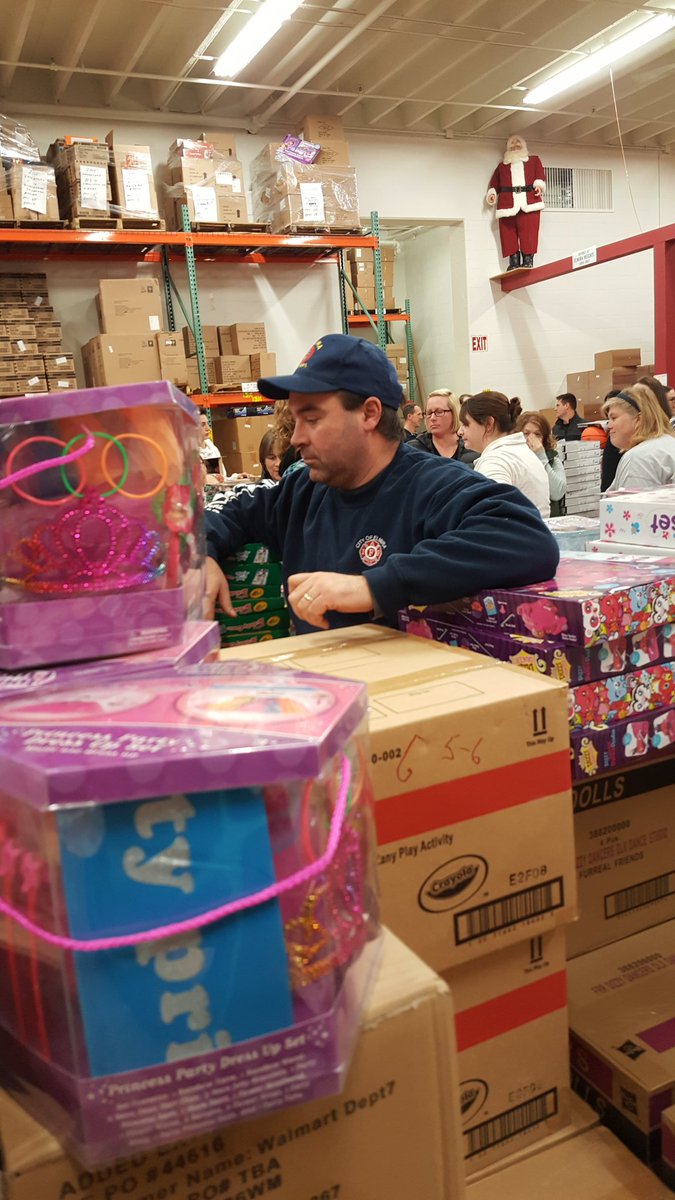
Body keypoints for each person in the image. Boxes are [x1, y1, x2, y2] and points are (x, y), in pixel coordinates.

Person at [203, 334, 560, 633]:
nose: (296, 438)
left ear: (369, 413)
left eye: (311, 419)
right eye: (296, 421)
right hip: (315, 689)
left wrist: (373, 586)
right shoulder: (301, 492)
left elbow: (527, 539)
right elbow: (225, 510)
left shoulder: (434, 485)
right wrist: (199, 555)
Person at [460, 391, 550, 519]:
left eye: (465, 424)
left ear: (489, 424)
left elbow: (494, 519)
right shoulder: (521, 453)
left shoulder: (496, 462)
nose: (460, 431)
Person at [486, 134, 545, 270]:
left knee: (529, 231)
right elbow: (494, 184)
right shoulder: (502, 167)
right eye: (512, 146)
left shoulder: (534, 161)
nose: (515, 147)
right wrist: (492, 194)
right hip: (507, 204)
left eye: (518, 145)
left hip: (529, 202)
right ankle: (514, 261)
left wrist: (539, 186)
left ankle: (528, 259)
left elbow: (540, 176)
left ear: (523, 146)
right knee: (507, 233)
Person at [603, 383, 675, 491]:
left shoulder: (638, 458)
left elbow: (632, 501)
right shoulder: (668, 443)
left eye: (614, 418)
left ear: (639, 419)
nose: (609, 426)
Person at [515, 412, 566, 516]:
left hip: (548, 520)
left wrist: (541, 457)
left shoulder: (553, 460)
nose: (531, 439)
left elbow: (557, 493)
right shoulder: (512, 460)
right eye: (526, 433)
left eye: (537, 434)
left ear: (544, 438)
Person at [412, 391, 478, 465]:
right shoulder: (413, 450)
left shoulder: (473, 447)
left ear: (454, 413)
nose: (432, 418)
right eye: (429, 413)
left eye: (439, 412)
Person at [198, 411, 225, 479]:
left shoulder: (213, 449)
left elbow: (223, 478)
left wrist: (236, 477)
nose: (208, 428)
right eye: (202, 425)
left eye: (207, 424)